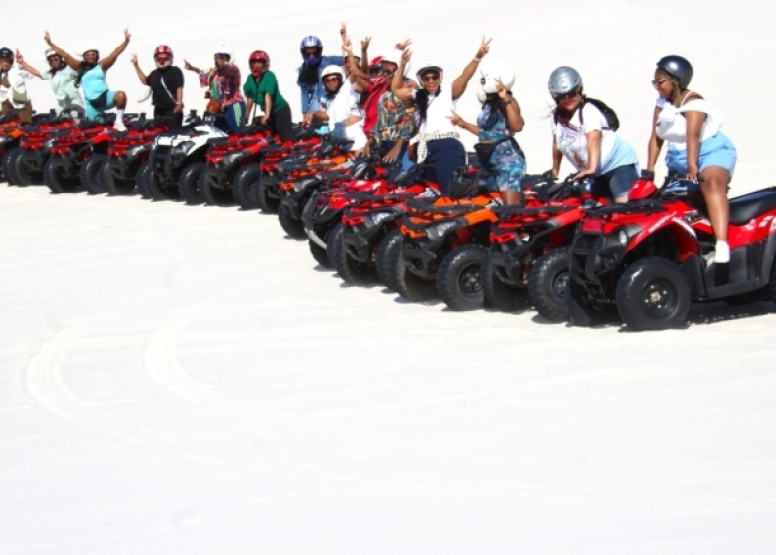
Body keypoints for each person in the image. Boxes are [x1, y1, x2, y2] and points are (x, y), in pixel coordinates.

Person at [646, 55, 737, 264]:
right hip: (679, 157)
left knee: (710, 183)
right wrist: (649, 169)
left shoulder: (695, 103)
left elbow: (692, 137)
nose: (656, 87)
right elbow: (655, 138)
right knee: (669, 201)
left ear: (675, 81)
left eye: (660, 82)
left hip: (710, 152)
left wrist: (692, 165)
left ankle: (722, 244)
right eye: (655, 82)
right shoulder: (661, 104)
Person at [391, 39, 491, 194]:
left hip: (446, 146)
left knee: (449, 192)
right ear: (421, 80)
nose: (431, 81)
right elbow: (395, 88)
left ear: (440, 77)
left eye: (434, 77)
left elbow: (465, 77)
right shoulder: (417, 95)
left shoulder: (448, 94)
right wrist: (402, 65)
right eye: (426, 78)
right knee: (430, 192)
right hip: (425, 149)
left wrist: (477, 57)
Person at [548, 66, 639, 203]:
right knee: (598, 215)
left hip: (618, 165)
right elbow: (558, 142)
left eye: (572, 93)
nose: (568, 98)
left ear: (579, 89)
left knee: (624, 211)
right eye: (562, 96)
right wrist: (555, 169)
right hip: (595, 174)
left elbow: (594, 139)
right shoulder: (555, 117)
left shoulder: (588, 111)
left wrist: (591, 167)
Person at [450, 60, 526, 204]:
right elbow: (487, 133)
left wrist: (505, 99)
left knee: (510, 210)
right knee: (481, 204)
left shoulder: (508, 100)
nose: (482, 81)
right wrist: (463, 124)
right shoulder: (489, 104)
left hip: (507, 160)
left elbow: (517, 126)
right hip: (487, 160)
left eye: (484, 78)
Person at [44, 29, 131, 129]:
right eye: (88, 55)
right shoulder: (80, 67)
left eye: (93, 54)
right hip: (92, 105)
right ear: (84, 56)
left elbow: (115, 53)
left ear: (97, 56)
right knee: (98, 127)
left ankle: (118, 122)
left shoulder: (102, 65)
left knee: (121, 96)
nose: (91, 57)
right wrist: (50, 43)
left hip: (105, 98)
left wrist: (126, 42)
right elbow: (64, 54)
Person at [184, 46, 245, 133]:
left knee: (237, 131)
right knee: (218, 132)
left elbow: (228, 69)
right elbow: (204, 73)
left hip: (233, 106)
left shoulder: (234, 69)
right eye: (218, 57)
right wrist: (192, 68)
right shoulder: (214, 72)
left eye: (223, 57)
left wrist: (223, 64)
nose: (220, 60)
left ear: (229, 58)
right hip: (219, 109)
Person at [305, 65, 366, 151]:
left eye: (334, 79)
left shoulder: (348, 91)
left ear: (341, 79)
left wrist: (350, 56)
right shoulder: (335, 100)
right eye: (328, 81)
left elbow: (354, 75)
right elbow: (328, 115)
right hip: (342, 144)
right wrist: (313, 114)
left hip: (357, 143)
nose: (331, 82)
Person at [297, 25, 348, 118]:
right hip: (315, 105)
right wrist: (304, 113)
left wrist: (344, 41)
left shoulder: (327, 60)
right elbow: (304, 93)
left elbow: (347, 60)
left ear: (319, 51)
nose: (311, 56)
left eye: (314, 53)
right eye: (308, 54)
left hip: (330, 100)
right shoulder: (302, 70)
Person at [15, 48, 84, 116]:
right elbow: (36, 72)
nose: (54, 61)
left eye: (56, 59)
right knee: (60, 119)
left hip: (74, 100)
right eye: (51, 60)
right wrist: (22, 62)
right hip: (62, 104)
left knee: (74, 114)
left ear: (60, 58)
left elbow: (80, 68)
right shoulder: (51, 74)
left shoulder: (70, 69)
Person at [243, 50, 294, 141]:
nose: (257, 65)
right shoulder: (250, 78)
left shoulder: (270, 76)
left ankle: (293, 151)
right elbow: (250, 97)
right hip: (269, 112)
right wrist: (246, 115)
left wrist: (266, 115)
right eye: (254, 63)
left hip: (280, 110)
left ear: (265, 64)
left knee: (285, 136)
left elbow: (268, 96)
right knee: (266, 135)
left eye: (260, 63)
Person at [131, 45, 184, 127]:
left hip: (172, 109)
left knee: (173, 133)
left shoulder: (175, 71)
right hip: (158, 109)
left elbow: (179, 87)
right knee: (158, 132)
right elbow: (145, 81)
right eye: (159, 59)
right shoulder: (155, 73)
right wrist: (136, 66)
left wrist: (179, 103)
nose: (162, 61)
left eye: (165, 59)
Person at [0, 47, 34, 124]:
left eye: (7, 61)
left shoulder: (17, 69)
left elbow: (31, 75)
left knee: (26, 127)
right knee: (5, 126)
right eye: (3, 61)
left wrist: (22, 63)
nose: (5, 63)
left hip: (22, 104)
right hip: (6, 103)